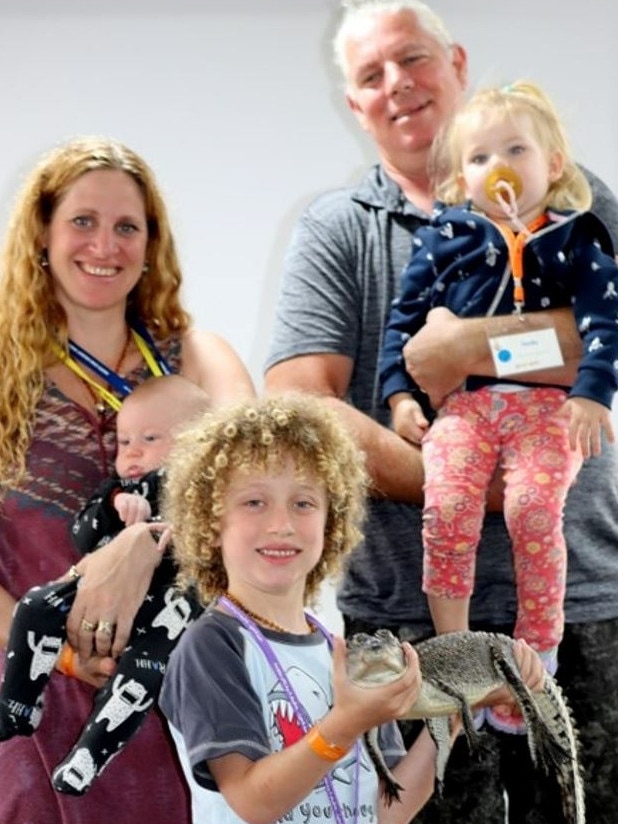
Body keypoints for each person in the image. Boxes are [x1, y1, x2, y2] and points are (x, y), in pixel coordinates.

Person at [264, 2, 618, 822]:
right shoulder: (336, 231)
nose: (398, 86)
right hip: (402, 624)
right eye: (371, 75)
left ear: (457, 63)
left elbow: (608, 331)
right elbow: (299, 402)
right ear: (355, 106)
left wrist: (472, 352)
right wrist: (460, 484)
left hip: (587, 604)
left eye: (413, 58)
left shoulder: (580, 204)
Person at [0, 136, 255, 824]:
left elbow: (257, 504)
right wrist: (59, 659)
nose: (104, 245)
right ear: (43, 235)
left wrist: (138, 547)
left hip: (144, 693)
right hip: (17, 683)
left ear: (152, 244)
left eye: (126, 226)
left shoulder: (199, 360)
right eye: (82, 221)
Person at [158, 392, 544, 824]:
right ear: (210, 524)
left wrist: (462, 708)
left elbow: (384, 810)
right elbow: (253, 801)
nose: (281, 524)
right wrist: (344, 724)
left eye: (303, 502)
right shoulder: (211, 646)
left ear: (331, 520)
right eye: (254, 502)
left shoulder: (345, 653)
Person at [378, 80, 618, 732]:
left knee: (532, 508)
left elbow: (604, 327)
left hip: (548, 411)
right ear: (462, 175)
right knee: (449, 502)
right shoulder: (445, 238)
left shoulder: (579, 238)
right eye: (481, 156)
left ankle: (535, 658)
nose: (500, 165)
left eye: (516, 148)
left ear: (555, 164)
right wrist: (400, 394)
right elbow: (402, 332)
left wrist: (592, 392)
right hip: (468, 411)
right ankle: (454, 655)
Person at [0, 374, 210, 795]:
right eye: (123, 440)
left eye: (149, 438)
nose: (131, 451)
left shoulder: (204, 493)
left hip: (167, 611)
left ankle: (90, 755)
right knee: (36, 606)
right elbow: (81, 535)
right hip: (94, 601)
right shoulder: (119, 491)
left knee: (138, 678)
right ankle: (19, 701)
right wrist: (115, 508)